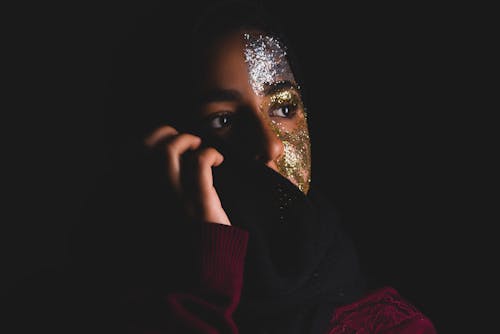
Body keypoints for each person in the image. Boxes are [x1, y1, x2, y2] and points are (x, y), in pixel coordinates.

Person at [65, 1, 438, 333]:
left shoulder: (394, 325)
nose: (271, 144)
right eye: (223, 121)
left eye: (284, 108)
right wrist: (205, 284)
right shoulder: (110, 300)